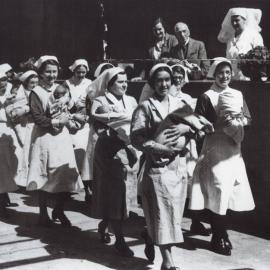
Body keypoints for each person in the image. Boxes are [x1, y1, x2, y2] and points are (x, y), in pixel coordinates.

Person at [130, 63, 195, 270]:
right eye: (159, 80)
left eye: (168, 79)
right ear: (152, 83)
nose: (164, 84)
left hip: (178, 165)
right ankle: (168, 262)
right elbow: (136, 137)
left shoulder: (180, 103)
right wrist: (159, 148)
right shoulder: (145, 107)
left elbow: (197, 128)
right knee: (163, 212)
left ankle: (151, 236)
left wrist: (187, 127)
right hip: (157, 167)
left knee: (173, 212)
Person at [189, 58, 255, 256]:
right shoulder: (206, 96)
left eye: (228, 72)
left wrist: (238, 121)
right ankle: (218, 235)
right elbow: (197, 123)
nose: (224, 76)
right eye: (220, 72)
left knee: (228, 192)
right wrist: (215, 124)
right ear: (213, 74)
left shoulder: (237, 94)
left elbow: (248, 119)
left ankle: (221, 233)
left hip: (233, 149)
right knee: (217, 190)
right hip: (214, 148)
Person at [26, 55, 83, 227]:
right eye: (47, 72)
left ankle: (59, 209)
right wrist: (58, 122)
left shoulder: (62, 88)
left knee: (67, 174)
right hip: (45, 138)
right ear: (41, 73)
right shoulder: (36, 93)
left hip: (62, 138)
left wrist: (76, 116)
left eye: (54, 71)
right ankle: (43, 214)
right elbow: (37, 118)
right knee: (45, 176)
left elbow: (71, 107)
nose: (51, 75)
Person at [91, 67, 138, 257]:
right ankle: (120, 240)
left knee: (123, 196)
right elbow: (97, 127)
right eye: (120, 82)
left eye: (126, 81)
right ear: (110, 84)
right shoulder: (100, 101)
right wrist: (115, 131)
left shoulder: (132, 101)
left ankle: (104, 225)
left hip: (128, 150)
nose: (125, 85)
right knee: (115, 195)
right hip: (108, 153)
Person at [80, 63, 114, 202]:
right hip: (97, 131)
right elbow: (90, 113)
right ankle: (94, 194)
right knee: (95, 163)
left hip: (113, 133)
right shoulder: (92, 93)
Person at [4, 70, 39, 187]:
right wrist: (27, 109)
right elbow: (13, 111)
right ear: (26, 83)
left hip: (36, 125)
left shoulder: (38, 93)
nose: (34, 85)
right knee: (26, 151)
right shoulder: (19, 95)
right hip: (24, 126)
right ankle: (24, 180)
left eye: (36, 82)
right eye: (32, 83)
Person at [65, 59, 92, 200]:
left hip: (86, 123)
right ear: (73, 70)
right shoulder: (67, 83)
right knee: (74, 156)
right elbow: (63, 102)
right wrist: (73, 106)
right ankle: (70, 187)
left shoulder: (90, 84)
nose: (81, 75)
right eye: (78, 72)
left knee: (86, 158)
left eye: (83, 72)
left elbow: (92, 102)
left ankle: (88, 189)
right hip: (71, 121)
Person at [218, 8, 264, 80]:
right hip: (231, 78)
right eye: (232, 21)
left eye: (237, 20)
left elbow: (261, 57)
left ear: (244, 20)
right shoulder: (230, 37)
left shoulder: (254, 35)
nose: (234, 23)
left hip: (249, 78)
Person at [0, 70, 18, 217]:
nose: (3, 83)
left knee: (9, 163)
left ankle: (4, 193)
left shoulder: (10, 93)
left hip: (9, 130)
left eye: (4, 79)